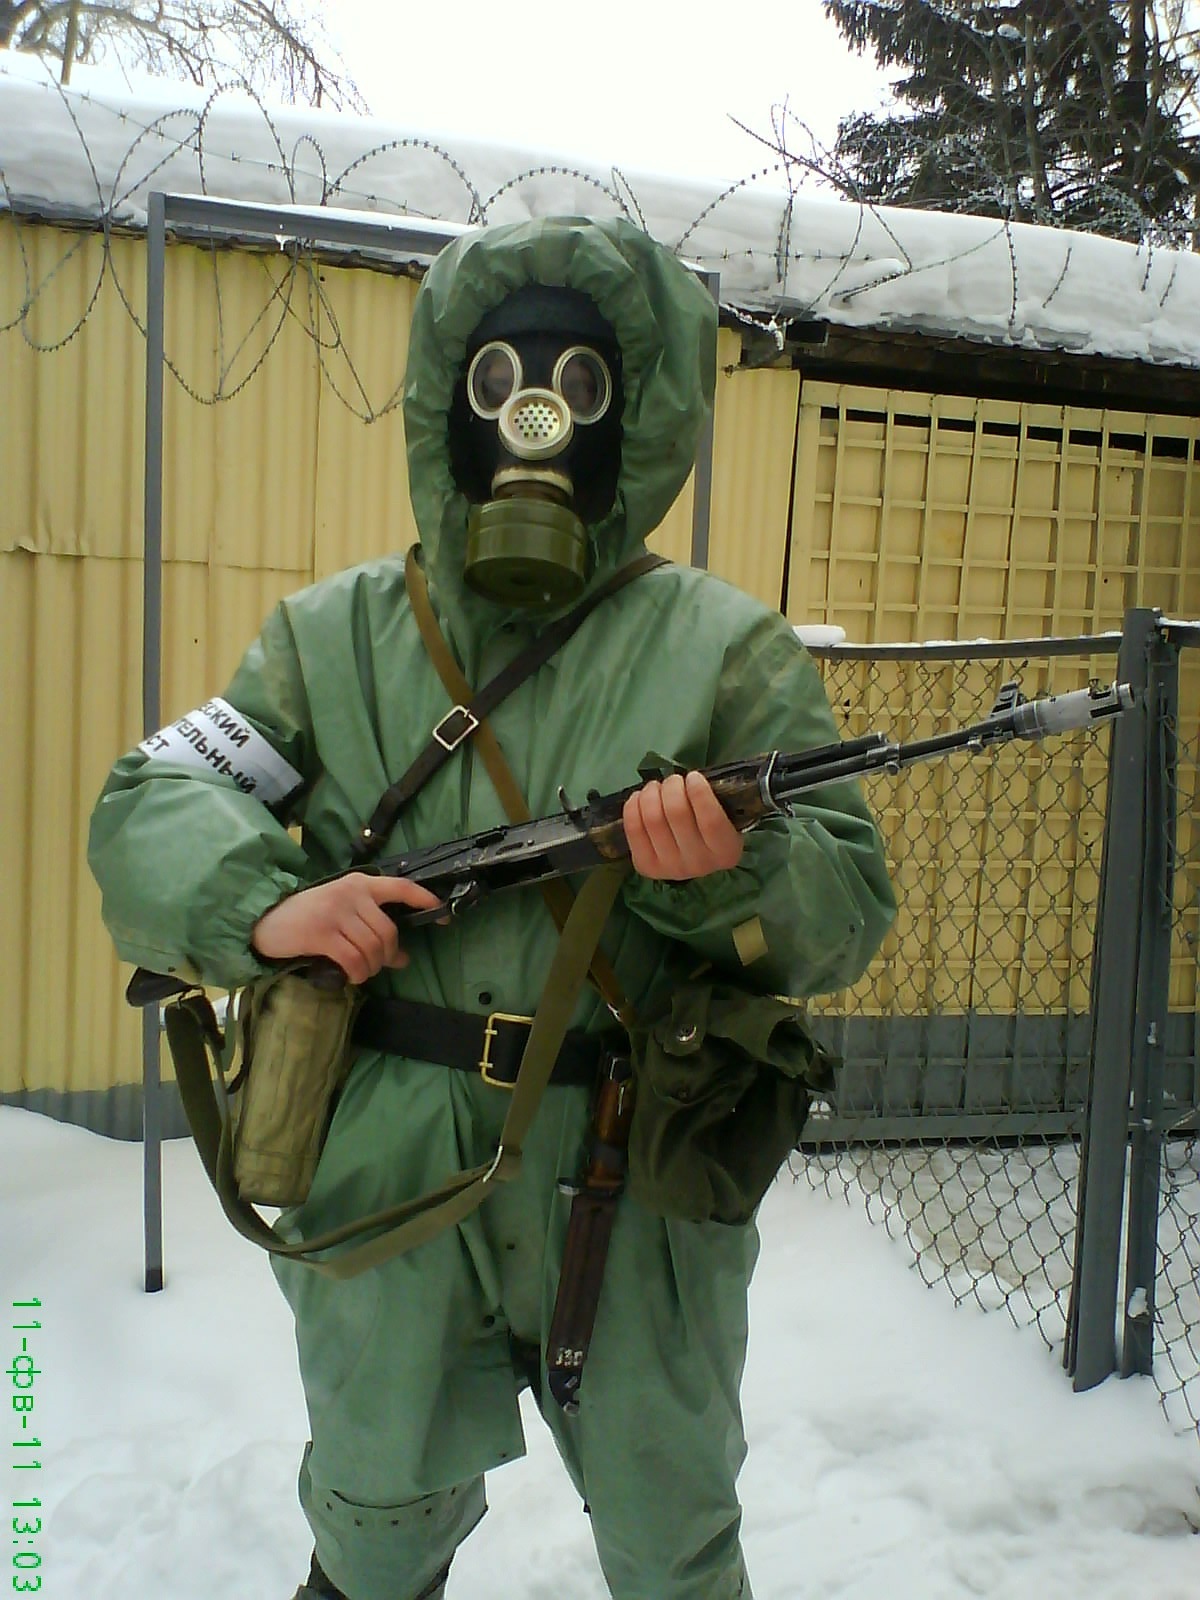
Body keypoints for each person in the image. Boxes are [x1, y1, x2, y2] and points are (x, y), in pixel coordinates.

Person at [89, 215, 895, 1600]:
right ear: (444, 404)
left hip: (633, 1168)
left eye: (582, 383)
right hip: (385, 1157)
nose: (538, 416)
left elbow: (846, 913)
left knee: (671, 1525)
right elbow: (149, 801)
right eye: (499, 375)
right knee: (375, 1512)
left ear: (637, 415)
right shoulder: (333, 639)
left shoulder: (724, 650)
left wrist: (728, 870)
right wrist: (270, 908)